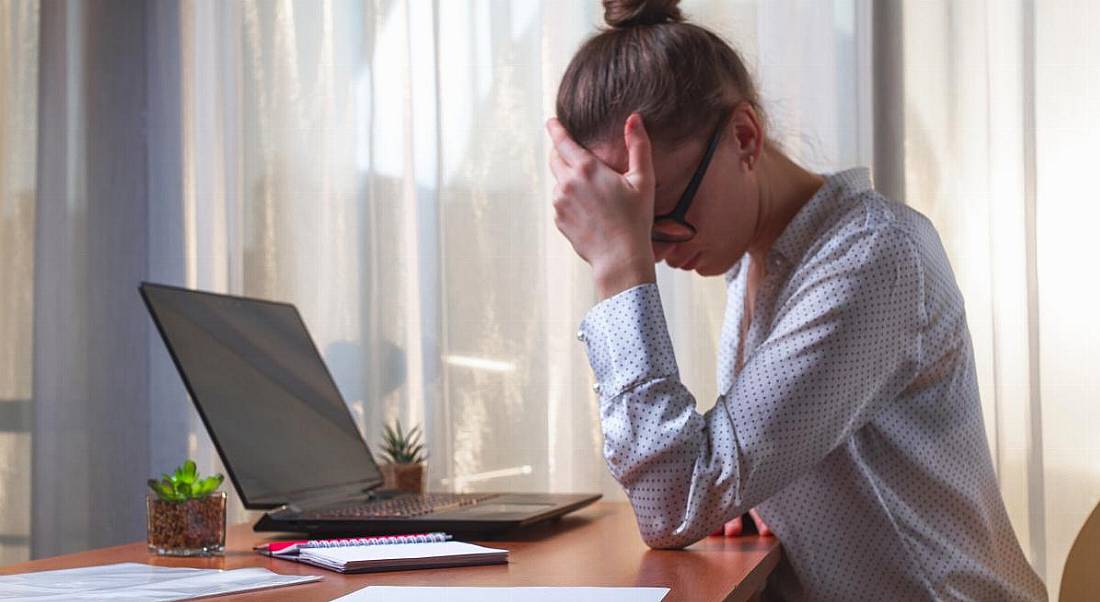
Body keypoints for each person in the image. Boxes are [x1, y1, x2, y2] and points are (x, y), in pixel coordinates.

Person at [545, 1, 1047, 600]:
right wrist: (768, 498)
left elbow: (674, 503)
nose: (650, 253)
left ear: (745, 138)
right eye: (626, 227)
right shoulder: (760, 266)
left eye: (661, 220)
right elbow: (710, 486)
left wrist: (618, 270)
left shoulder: (871, 257)